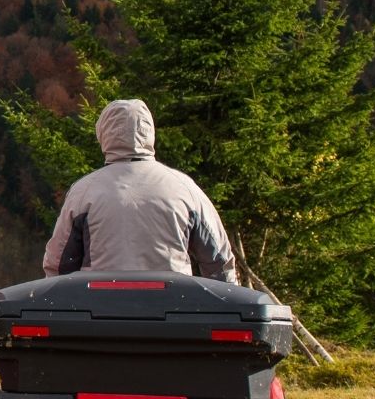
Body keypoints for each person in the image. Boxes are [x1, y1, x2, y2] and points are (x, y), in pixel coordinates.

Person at [42, 98, 239, 283]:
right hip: (173, 309)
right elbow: (219, 262)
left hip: (100, 310)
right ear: (150, 132)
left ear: (103, 134)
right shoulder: (184, 188)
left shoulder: (84, 191)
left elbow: (58, 266)